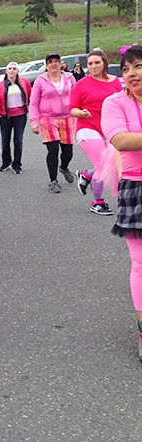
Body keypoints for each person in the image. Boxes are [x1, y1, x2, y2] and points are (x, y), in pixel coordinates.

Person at [100, 44, 142, 361]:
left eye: (138, 66)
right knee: (140, 263)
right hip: (136, 186)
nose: (131, 74)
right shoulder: (114, 102)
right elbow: (120, 140)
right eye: (126, 69)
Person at [70, 49, 122, 215]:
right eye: (90, 63)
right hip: (87, 128)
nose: (93, 66)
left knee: (112, 162)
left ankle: (86, 175)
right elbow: (72, 109)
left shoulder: (115, 82)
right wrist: (82, 113)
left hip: (109, 129)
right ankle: (97, 202)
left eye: (97, 62)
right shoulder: (81, 84)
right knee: (103, 164)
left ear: (104, 63)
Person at [29, 52, 77, 193]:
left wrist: (80, 113)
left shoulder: (69, 78)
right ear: (46, 65)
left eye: (56, 61)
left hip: (68, 117)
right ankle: (53, 181)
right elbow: (33, 103)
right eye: (50, 62)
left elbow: (77, 95)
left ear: (61, 63)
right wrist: (34, 122)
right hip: (47, 118)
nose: (53, 64)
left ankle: (63, 167)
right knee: (53, 149)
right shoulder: (40, 80)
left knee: (68, 151)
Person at [0, 61, 32, 174]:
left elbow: (31, 96)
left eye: (14, 68)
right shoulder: (0, 85)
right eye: (10, 68)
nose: (12, 70)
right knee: (5, 141)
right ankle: (6, 162)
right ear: (6, 71)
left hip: (20, 116)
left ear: (18, 71)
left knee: (18, 140)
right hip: (5, 117)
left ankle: (17, 165)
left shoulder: (25, 82)